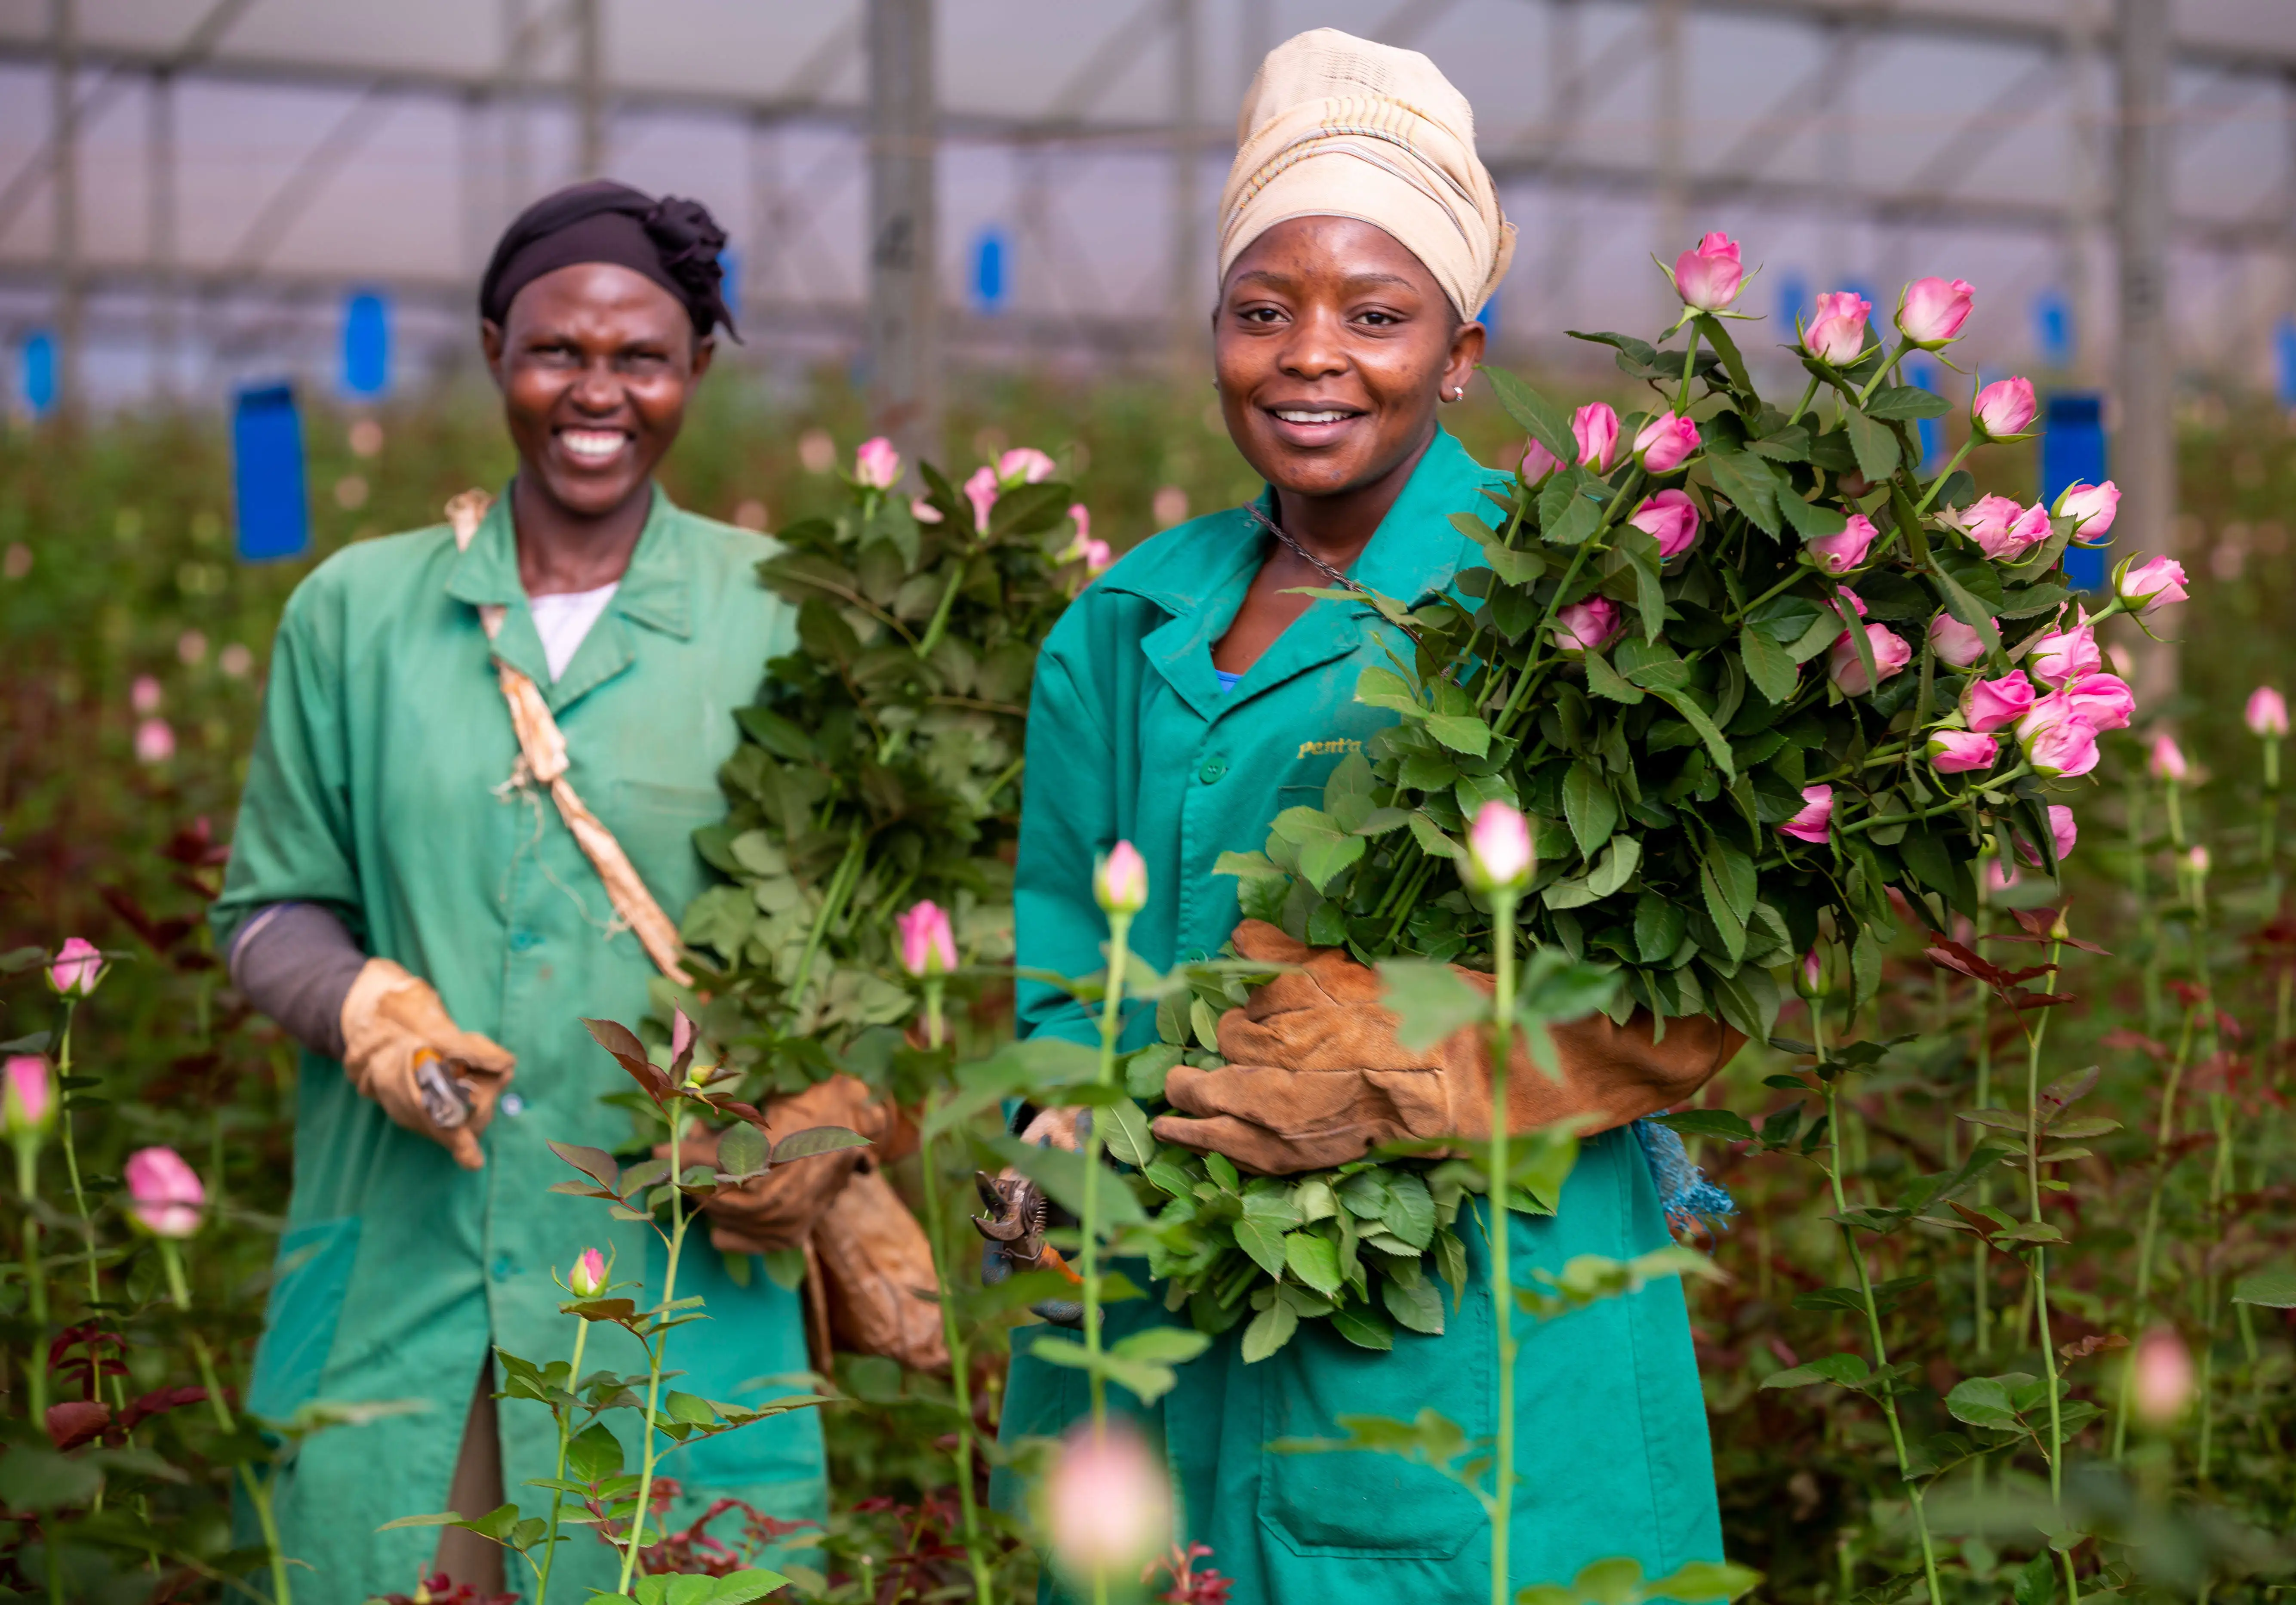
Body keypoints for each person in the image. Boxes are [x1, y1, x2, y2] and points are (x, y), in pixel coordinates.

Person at [1001, 31, 1736, 1601]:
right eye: (1262, 311)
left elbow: (1695, 992)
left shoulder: (1574, 607)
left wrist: (1415, 1071)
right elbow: (1065, 956)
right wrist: (1052, 1134)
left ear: (1461, 353)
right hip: (1153, 1311)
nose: (1309, 353)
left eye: (1376, 314)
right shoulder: (1124, 624)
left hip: (1460, 1318)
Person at [213, 181, 861, 1602]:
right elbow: (267, 909)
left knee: (667, 1562)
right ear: (498, 347)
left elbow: (868, 934)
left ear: (693, 371)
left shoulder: (787, 615)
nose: (598, 392)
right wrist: (365, 1004)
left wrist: (831, 1097)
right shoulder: (358, 612)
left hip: (676, 1279)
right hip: (407, 1271)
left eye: (642, 358)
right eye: (558, 350)